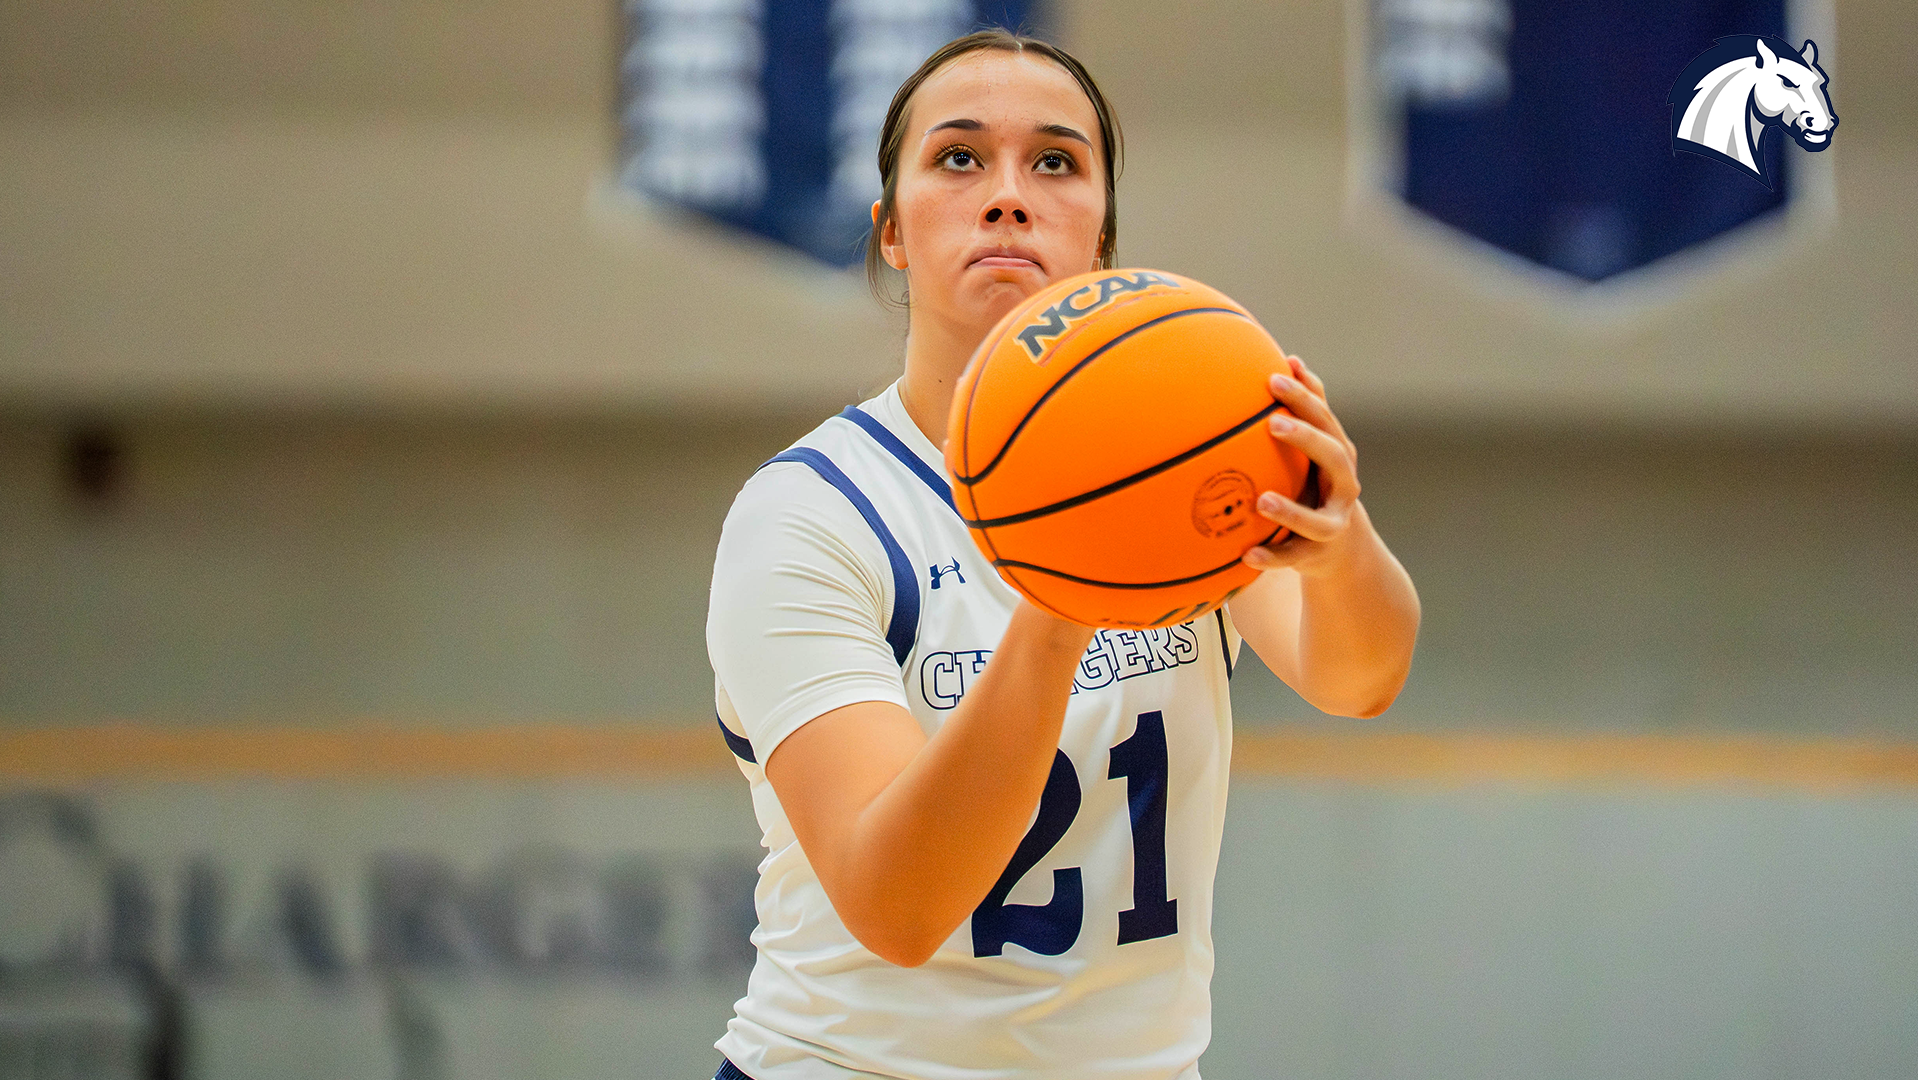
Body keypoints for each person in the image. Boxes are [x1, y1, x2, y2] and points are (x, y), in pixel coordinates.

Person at [704, 29, 1420, 1080]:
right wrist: (1062, 591)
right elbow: (897, 907)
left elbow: (1359, 676)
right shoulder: (806, 517)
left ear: (1100, 235)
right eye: (958, 158)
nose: (1007, 194)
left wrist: (1335, 537)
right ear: (891, 231)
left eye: (1054, 161)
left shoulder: (1185, 463)